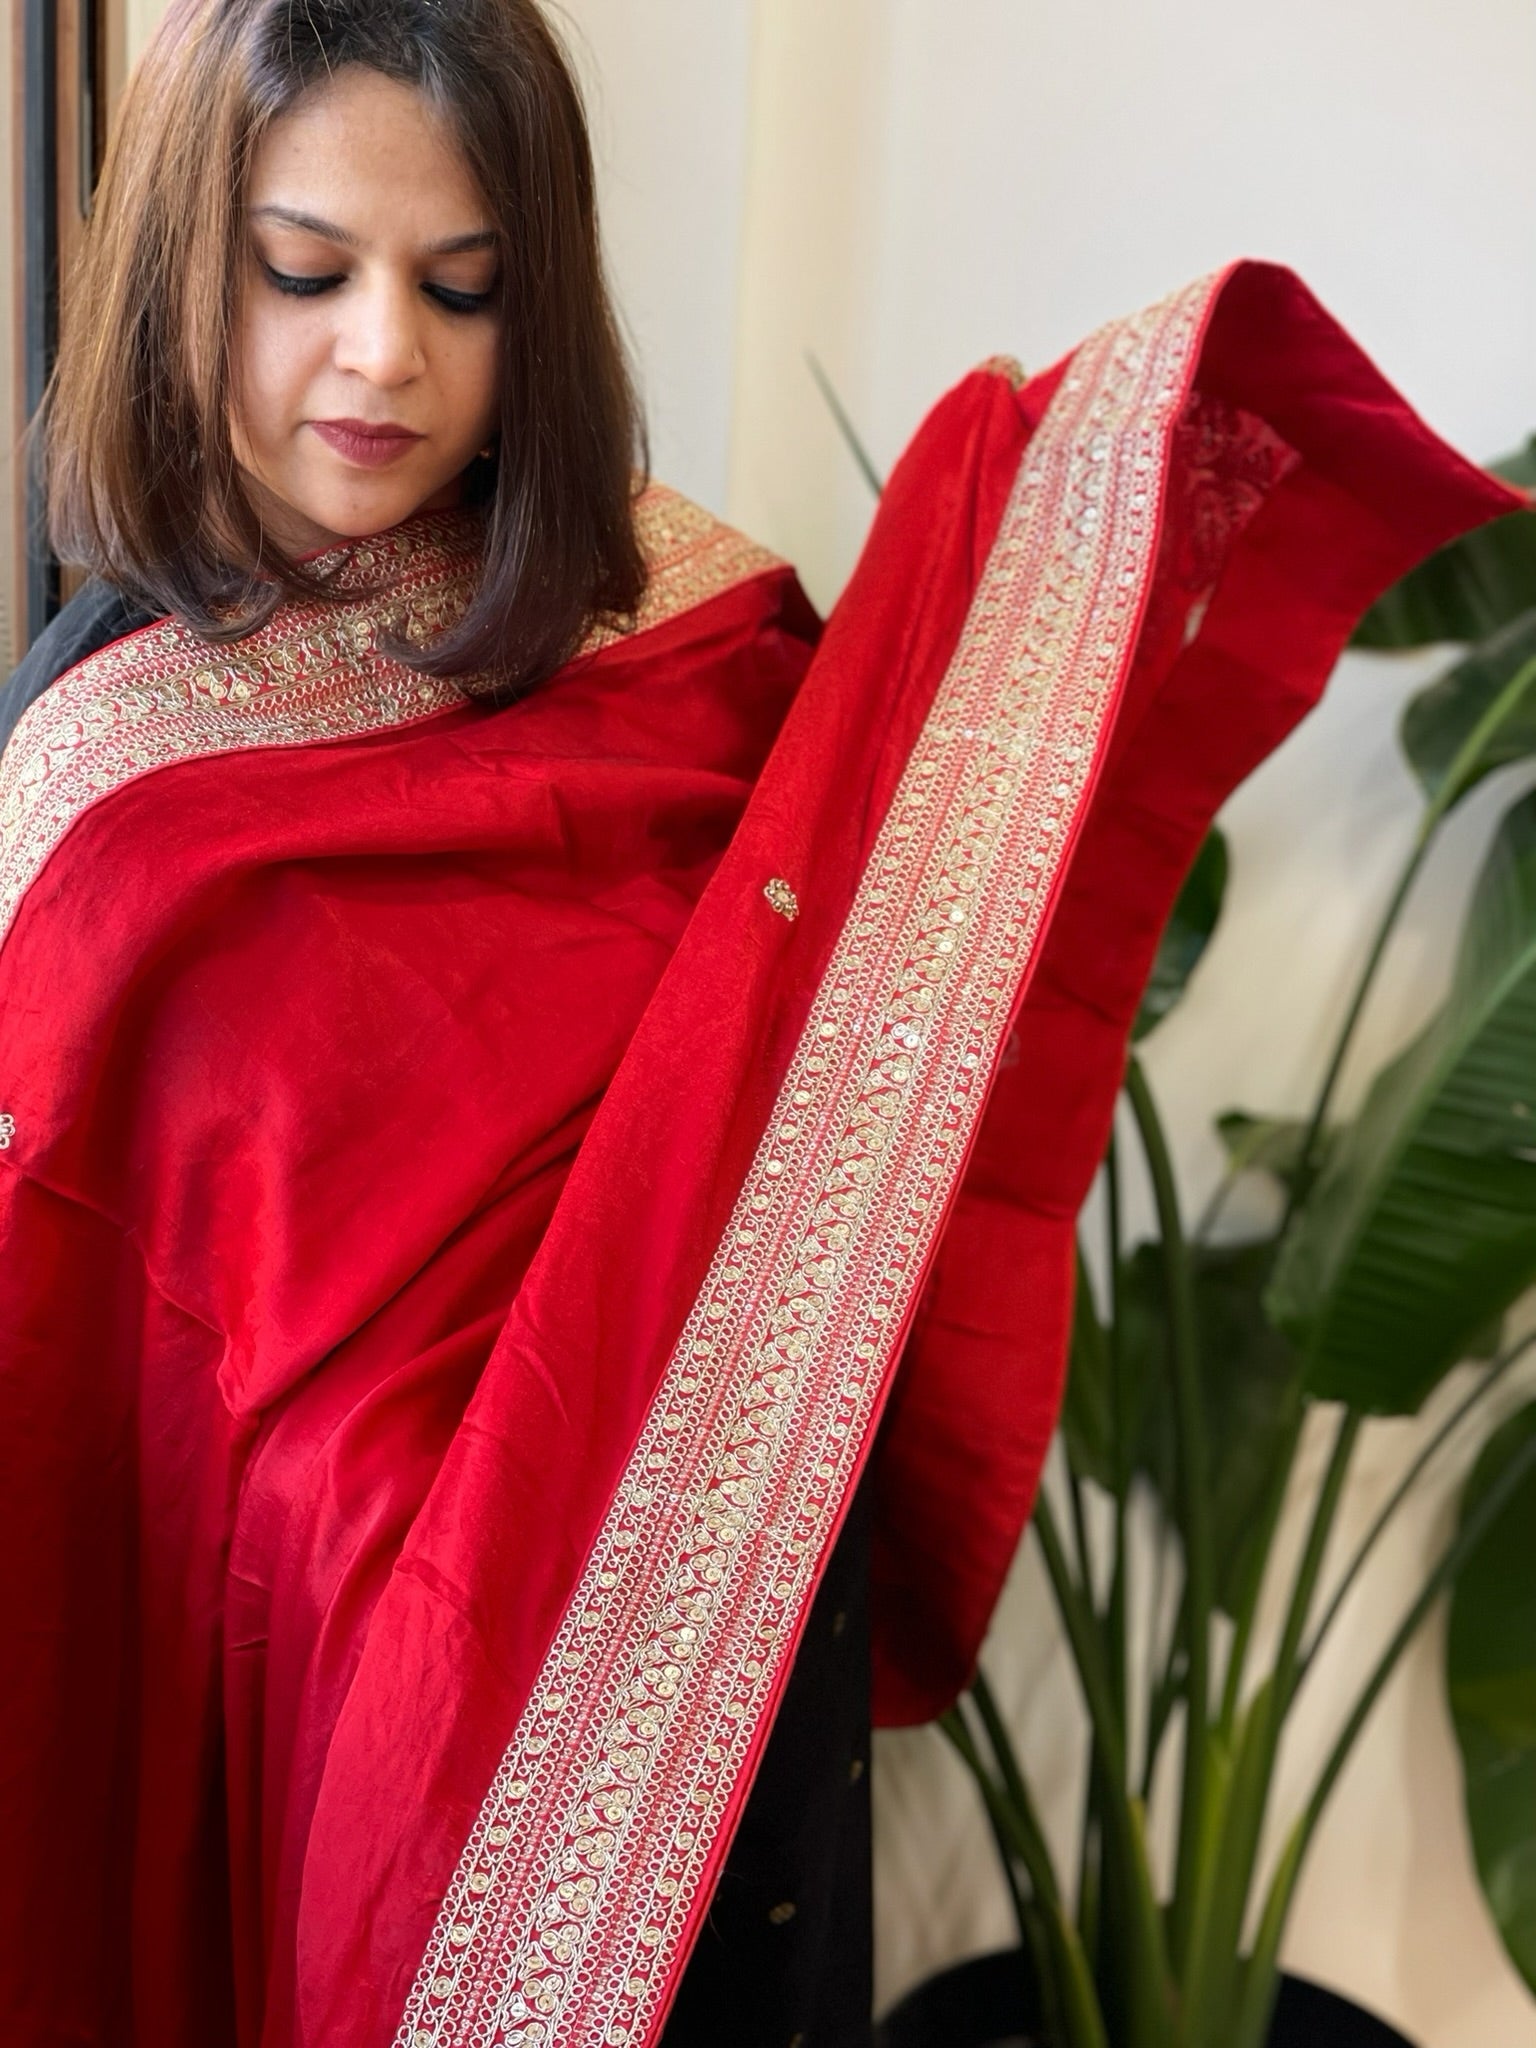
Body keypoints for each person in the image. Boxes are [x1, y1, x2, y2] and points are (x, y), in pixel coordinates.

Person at [0, 4, 1516, 2045]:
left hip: (697, 1671)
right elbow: (91, 1355)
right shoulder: (98, 771)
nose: (385, 355)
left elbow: (828, 1033)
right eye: (305, 270)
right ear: (182, 252)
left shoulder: (692, 651)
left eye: (467, 288)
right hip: (302, 1697)